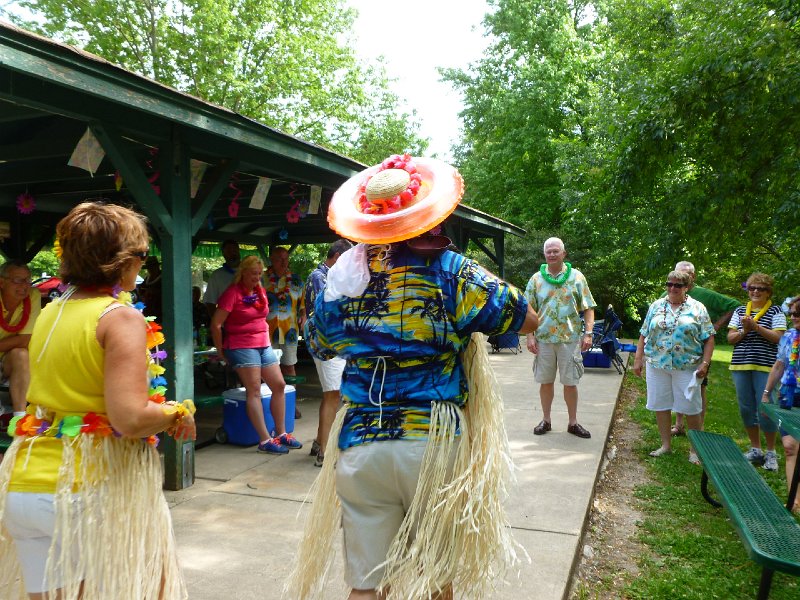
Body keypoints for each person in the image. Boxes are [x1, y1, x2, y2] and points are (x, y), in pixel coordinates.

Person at [288, 154, 538, 600]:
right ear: (426, 212)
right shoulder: (452, 271)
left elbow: (320, 344)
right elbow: (526, 319)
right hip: (432, 443)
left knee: (365, 586)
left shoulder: (343, 280)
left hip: (361, 444)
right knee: (434, 579)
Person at [0, 202, 195, 599]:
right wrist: (175, 412)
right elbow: (128, 417)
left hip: (26, 487)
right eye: (141, 255)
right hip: (81, 492)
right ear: (122, 261)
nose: (142, 264)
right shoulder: (119, 317)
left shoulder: (53, 311)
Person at [209, 255, 301, 455]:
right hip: (241, 345)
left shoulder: (260, 292)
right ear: (243, 273)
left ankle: (281, 433)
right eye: (253, 274)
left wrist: (267, 341)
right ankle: (264, 440)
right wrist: (220, 350)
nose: (256, 277)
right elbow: (216, 324)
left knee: (279, 385)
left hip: (262, 344)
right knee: (254, 391)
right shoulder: (232, 293)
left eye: (259, 274)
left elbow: (264, 320)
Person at [633, 270, 715, 464]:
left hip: (687, 365)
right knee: (660, 404)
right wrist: (638, 359)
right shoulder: (656, 305)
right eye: (669, 284)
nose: (672, 288)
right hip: (657, 363)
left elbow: (709, 337)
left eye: (677, 285)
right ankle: (665, 445)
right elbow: (644, 333)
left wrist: (705, 363)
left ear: (687, 287)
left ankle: (696, 451)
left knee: (691, 407)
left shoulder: (697, 308)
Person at [525, 237, 596, 439]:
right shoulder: (536, 279)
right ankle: (546, 420)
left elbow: (588, 307)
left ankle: (573, 422)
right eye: (548, 251)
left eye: (556, 251)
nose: (552, 254)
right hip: (544, 340)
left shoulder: (577, 277)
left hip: (570, 339)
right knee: (545, 381)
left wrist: (588, 333)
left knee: (570, 382)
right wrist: (529, 336)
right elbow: (528, 311)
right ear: (544, 254)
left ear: (564, 253)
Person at [671, 260, 740, 435]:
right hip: (676, 351)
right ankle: (679, 424)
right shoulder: (673, 290)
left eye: (686, 274)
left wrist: (717, 325)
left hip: (699, 350)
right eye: (678, 272)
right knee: (678, 385)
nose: (681, 277)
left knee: (698, 386)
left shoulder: (704, 294)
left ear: (693, 276)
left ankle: (698, 430)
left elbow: (735, 306)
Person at [727, 273, 785, 470]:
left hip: (766, 367)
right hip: (741, 365)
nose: (755, 292)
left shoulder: (776, 311)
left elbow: (778, 338)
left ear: (768, 292)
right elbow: (730, 337)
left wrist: (756, 327)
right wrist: (745, 330)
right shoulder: (741, 310)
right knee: (746, 408)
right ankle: (755, 449)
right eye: (752, 288)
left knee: (766, 410)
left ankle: (771, 453)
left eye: (760, 289)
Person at [303, 238, 352, 467]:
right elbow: (325, 314)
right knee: (332, 395)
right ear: (339, 257)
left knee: (331, 395)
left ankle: (318, 442)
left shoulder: (333, 277)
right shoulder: (319, 277)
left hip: (335, 345)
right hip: (326, 345)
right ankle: (325, 452)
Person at [762, 295, 800, 512]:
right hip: (788, 394)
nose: (794, 317)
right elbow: (778, 366)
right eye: (792, 313)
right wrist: (766, 393)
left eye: (798, 313)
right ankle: (794, 500)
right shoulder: (788, 337)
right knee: (789, 447)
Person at [0, 260, 41, 418]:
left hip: (8, 359)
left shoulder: (33, 295)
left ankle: (19, 419)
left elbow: (25, 340)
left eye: (27, 280)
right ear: (2, 282)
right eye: (18, 280)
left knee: (21, 353)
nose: (24, 285)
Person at [264, 246, 305, 378]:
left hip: (290, 331)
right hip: (267, 331)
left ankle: (290, 398)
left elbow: (303, 305)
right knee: (268, 368)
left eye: (286, 259)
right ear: (271, 259)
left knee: (289, 367)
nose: (283, 262)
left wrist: (304, 316)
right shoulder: (261, 279)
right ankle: (270, 397)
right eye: (279, 259)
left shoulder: (296, 280)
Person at [203, 239, 240, 317]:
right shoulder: (217, 275)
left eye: (234, 250)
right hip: (228, 324)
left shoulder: (250, 272)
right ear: (224, 254)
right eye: (229, 251)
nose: (232, 253)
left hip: (250, 323)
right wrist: (218, 325)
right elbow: (210, 302)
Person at [139, 255, 162, 321]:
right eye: (148, 267)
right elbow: (141, 289)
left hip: (159, 311)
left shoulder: (163, 278)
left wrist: (153, 292)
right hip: (148, 311)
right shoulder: (147, 278)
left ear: (157, 266)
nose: (150, 269)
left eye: (152, 267)